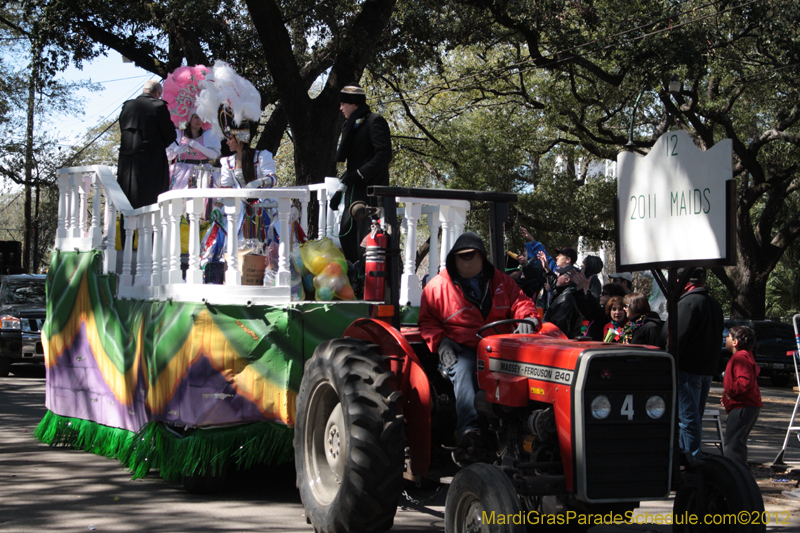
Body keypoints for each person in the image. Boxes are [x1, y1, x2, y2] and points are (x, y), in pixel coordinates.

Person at [419, 232, 540, 460]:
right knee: (465, 368)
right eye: (461, 256)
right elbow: (427, 321)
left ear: (482, 257)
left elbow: (521, 301)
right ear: (453, 259)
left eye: (471, 255)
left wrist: (528, 319)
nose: (467, 260)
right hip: (463, 347)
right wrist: (441, 342)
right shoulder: (436, 288)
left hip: (500, 346)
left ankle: (528, 429)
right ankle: (471, 433)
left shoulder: (502, 281)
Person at [664, 267, 724, 460]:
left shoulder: (688, 302)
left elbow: (675, 338)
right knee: (693, 417)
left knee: (688, 419)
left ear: (683, 281)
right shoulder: (713, 303)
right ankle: (688, 458)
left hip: (687, 369)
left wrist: (666, 362)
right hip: (705, 369)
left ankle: (691, 461)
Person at [330, 85, 392, 264]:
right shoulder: (352, 126)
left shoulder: (375, 121)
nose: (341, 108)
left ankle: (365, 282)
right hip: (354, 192)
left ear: (354, 104)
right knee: (346, 235)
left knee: (366, 243)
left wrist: (359, 174)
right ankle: (354, 278)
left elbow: (384, 155)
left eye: (343, 104)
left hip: (371, 194)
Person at [117, 80, 177, 209]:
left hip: (127, 164)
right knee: (151, 202)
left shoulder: (127, 106)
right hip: (151, 163)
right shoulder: (158, 106)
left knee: (127, 203)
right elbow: (170, 135)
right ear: (157, 93)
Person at [721, 325, 762, 466]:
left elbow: (744, 382)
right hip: (746, 406)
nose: (725, 339)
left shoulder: (740, 357)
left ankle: (737, 478)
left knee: (732, 445)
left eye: (728, 337)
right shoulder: (745, 356)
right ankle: (741, 477)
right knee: (737, 442)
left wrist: (729, 393)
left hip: (742, 406)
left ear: (735, 342)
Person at [167, 113, 221, 189]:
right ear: (190, 119)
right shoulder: (178, 134)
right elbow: (167, 155)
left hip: (203, 171)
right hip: (181, 172)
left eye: (202, 118)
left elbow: (214, 155)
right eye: (196, 117)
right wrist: (176, 151)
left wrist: (199, 147)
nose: (199, 120)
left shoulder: (208, 135)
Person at [543, 264, 583, 339]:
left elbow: (559, 328)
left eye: (559, 274)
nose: (557, 276)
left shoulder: (566, 299)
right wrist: (547, 269)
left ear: (567, 280)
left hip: (559, 343)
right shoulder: (570, 293)